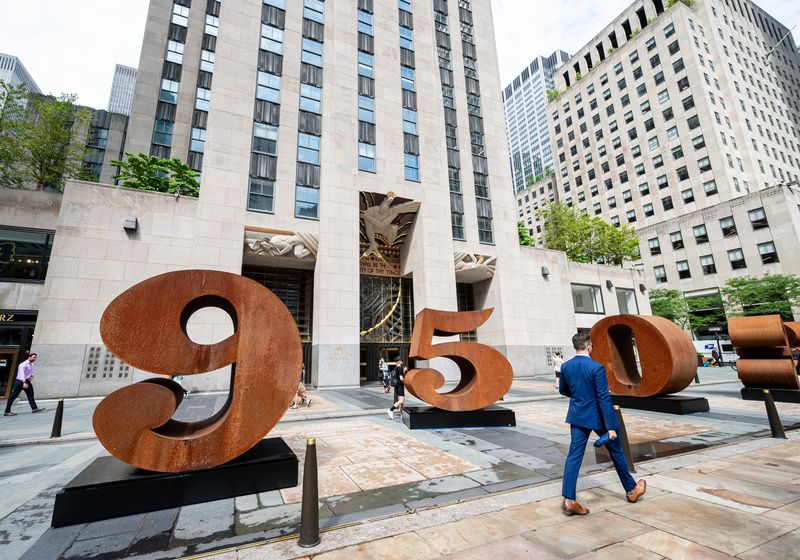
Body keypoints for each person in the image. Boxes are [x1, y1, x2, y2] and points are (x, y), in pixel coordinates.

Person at [559, 333, 646, 515]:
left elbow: (563, 390)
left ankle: (569, 499)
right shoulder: (596, 368)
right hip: (598, 417)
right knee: (616, 451)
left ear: (576, 346)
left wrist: (580, 398)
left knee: (574, 456)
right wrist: (612, 427)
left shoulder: (566, 366)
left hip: (577, 416)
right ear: (589, 346)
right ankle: (631, 490)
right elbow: (604, 399)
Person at [4, 352, 46, 416]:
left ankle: (34, 409)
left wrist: (32, 376)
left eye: (35, 357)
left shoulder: (31, 364)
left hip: (27, 381)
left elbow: (31, 371)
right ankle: (7, 411)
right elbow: (21, 374)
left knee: (30, 395)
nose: (35, 359)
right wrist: (24, 382)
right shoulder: (23, 364)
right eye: (34, 357)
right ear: (29, 357)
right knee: (13, 396)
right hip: (20, 381)